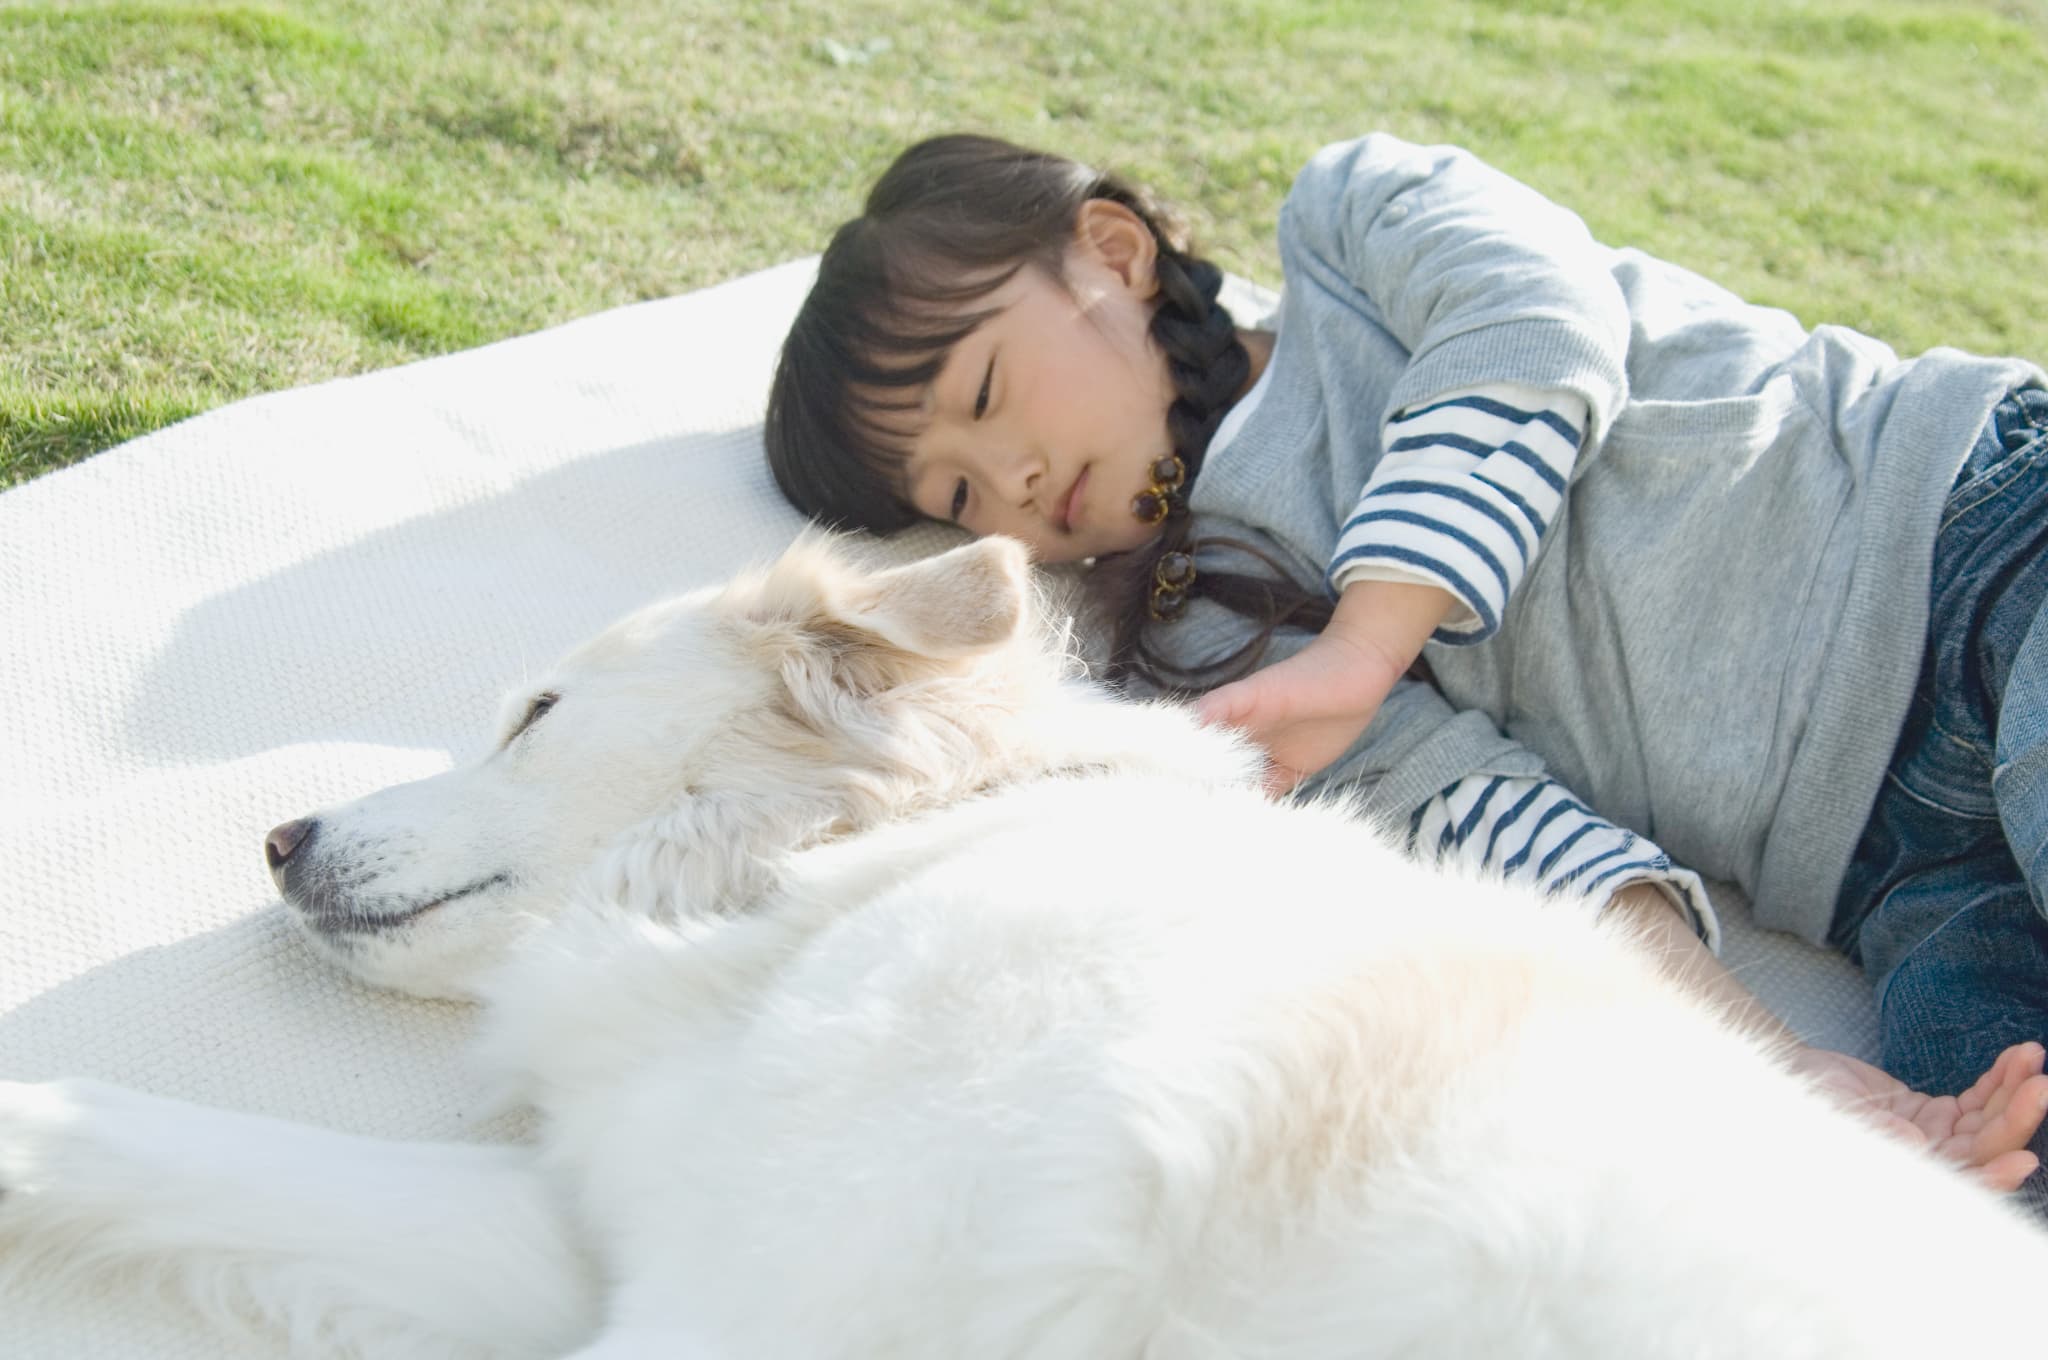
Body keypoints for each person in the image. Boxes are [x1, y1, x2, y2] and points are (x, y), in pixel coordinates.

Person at [764, 131, 2048, 1204]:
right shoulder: (1207, 637)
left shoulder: (1353, 218)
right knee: (1979, 1184)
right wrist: (1769, 1065)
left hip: (1965, 537)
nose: (1017, 486)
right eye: (959, 491)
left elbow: (1533, 329)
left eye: (986, 394)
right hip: (1889, 873)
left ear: (1110, 253)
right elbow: (1491, 825)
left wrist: (1367, 641)